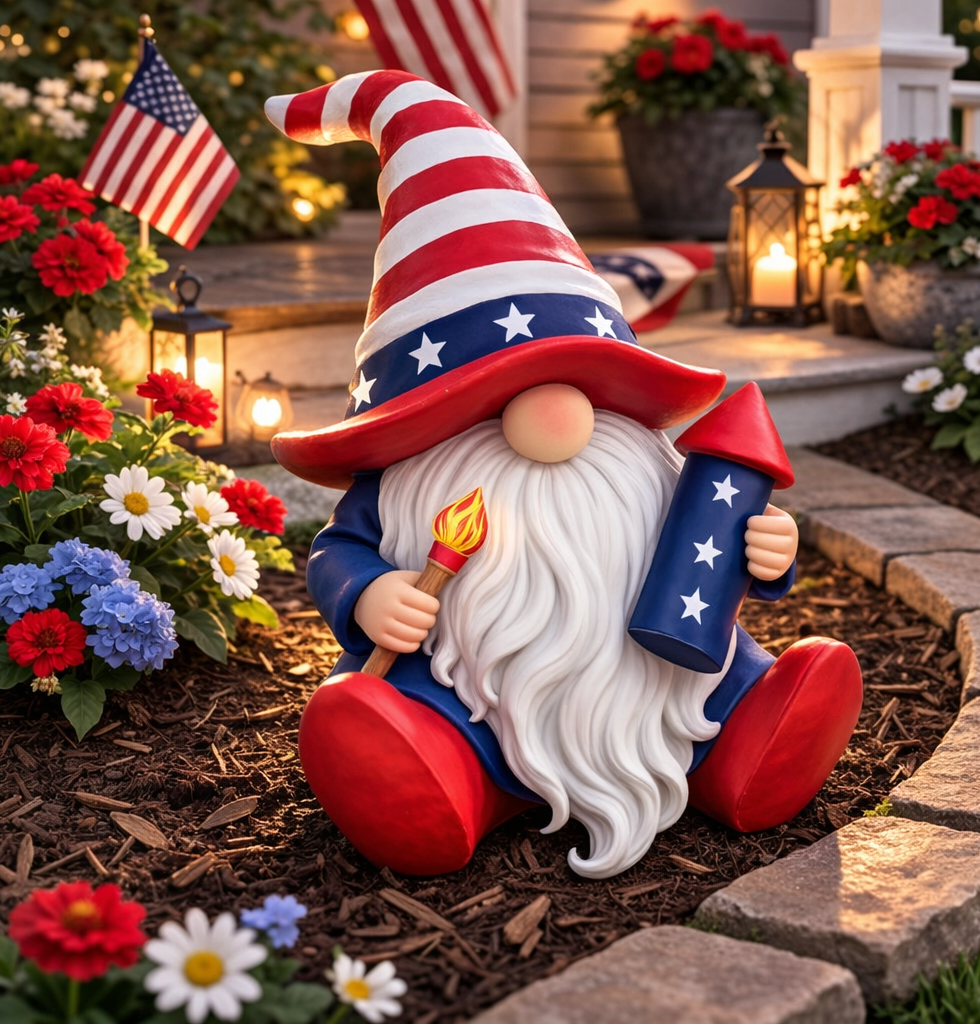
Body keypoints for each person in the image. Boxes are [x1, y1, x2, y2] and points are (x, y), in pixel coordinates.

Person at [264, 70, 863, 879]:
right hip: (457, 687)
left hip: (665, 684)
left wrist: (770, 552)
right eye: (490, 396)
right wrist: (367, 593)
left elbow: (709, 546)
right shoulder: (409, 482)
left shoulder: (644, 463)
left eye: (576, 379)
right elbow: (339, 549)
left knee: (718, 680)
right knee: (401, 721)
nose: (552, 417)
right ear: (422, 418)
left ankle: (738, 742)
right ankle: (449, 780)